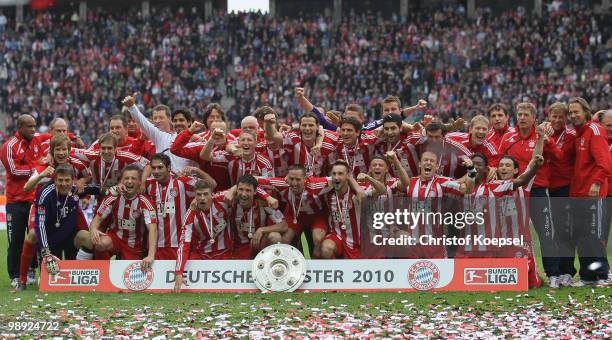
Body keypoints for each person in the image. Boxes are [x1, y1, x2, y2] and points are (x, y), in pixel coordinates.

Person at [498, 102, 564, 285]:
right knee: (512, 233)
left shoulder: (542, 136)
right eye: (520, 114)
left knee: (545, 231)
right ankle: (516, 271)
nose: (522, 117)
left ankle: (553, 275)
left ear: (534, 118)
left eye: (526, 114)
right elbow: (498, 161)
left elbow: (559, 157)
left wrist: (548, 142)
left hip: (537, 190)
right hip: (513, 191)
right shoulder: (509, 137)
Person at [15, 165, 94, 291]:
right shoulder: (45, 193)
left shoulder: (75, 189)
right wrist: (46, 252)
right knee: (32, 235)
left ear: (72, 180)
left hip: (68, 235)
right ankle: (22, 279)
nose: (64, 184)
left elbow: (96, 189)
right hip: (49, 237)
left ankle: (80, 273)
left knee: (88, 238)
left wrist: (111, 190)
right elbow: (40, 224)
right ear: (55, 180)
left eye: (67, 180)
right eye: (60, 180)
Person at [74, 165, 158, 266]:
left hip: (134, 246)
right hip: (115, 238)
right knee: (98, 241)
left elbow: (153, 229)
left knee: (128, 272)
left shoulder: (145, 202)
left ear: (140, 182)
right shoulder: (113, 197)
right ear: (121, 182)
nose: (130, 181)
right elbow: (97, 219)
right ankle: (100, 268)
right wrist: (93, 230)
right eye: (126, 178)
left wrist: (151, 255)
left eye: (133, 178)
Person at [568, 97, 610, 286]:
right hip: (578, 193)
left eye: (576, 111)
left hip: (592, 193)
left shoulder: (595, 130)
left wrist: (596, 183)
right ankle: (587, 276)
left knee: (593, 236)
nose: (573, 115)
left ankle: (601, 274)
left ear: (585, 111)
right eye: (571, 112)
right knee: (582, 236)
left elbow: (604, 163)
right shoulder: (579, 133)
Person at [0, 114, 42, 287]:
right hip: (15, 201)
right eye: (30, 126)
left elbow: (52, 136)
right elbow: (14, 171)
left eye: (34, 126)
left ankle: (31, 270)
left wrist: (72, 137)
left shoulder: (36, 140)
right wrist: (37, 169)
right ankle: (15, 275)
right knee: (15, 239)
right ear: (20, 127)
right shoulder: (8, 146)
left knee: (34, 237)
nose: (33, 129)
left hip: (33, 200)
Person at [256, 165, 330, 256]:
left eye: (298, 179)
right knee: (285, 240)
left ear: (305, 178)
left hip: (316, 216)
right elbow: (252, 180)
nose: (294, 183)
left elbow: (340, 179)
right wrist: (267, 197)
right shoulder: (283, 183)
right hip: (295, 216)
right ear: (287, 177)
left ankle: (315, 268)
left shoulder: (315, 185)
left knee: (317, 238)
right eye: (291, 179)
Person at [174, 180, 233, 292]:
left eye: (205, 194)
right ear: (195, 196)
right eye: (199, 195)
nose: (202, 198)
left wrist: (233, 190)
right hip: (201, 255)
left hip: (224, 253)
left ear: (212, 194)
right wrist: (179, 272)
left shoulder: (221, 200)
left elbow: (241, 186)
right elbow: (184, 244)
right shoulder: (190, 214)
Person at [122, 93, 196, 171]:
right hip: (163, 181)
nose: (157, 121)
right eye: (155, 118)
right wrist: (132, 107)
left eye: (161, 118)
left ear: (169, 119)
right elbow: (141, 121)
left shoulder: (197, 140)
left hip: (188, 181)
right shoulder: (160, 136)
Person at [144, 153, 197, 260]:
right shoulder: (147, 184)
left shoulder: (182, 181)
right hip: (156, 246)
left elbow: (211, 185)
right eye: (153, 168)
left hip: (179, 244)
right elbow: (128, 186)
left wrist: (197, 198)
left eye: (160, 167)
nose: (156, 171)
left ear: (169, 168)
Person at [546, 102, 577, 287]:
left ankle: (567, 271)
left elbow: (559, 156)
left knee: (565, 231)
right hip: (544, 188)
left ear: (566, 118)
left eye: (561, 117)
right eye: (554, 116)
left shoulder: (571, 136)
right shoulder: (543, 131)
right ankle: (553, 272)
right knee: (548, 232)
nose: (557, 120)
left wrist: (548, 141)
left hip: (563, 188)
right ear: (549, 116)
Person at [229, 174, 287, 259]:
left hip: (260, 243)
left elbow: (284, 225)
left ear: (255, 192)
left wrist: (262, 230)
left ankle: (271, 265)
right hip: (239, 246)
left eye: (248, 190)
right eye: (241, 189)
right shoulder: (230, 203)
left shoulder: (263, 203)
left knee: (275, 237)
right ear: (236, 190)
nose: (244, 194)